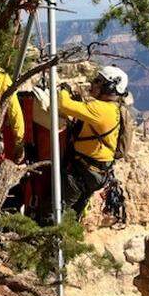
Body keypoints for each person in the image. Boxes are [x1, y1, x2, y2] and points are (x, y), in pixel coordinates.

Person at [56, 65, 129, 218]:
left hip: (83, 170)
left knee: (57, 210)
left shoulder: (100, 109)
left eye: (98, 81)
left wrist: (64, 89)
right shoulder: (114, 108)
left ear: (109, 87)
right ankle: (68, 237)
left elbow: (64, 104)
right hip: (97, 172)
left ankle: (50, 239)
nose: (93, 83)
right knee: (75, 211)